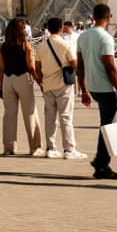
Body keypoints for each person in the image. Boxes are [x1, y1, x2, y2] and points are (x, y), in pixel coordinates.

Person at [76, 3, 117, 181]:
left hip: (94, 88)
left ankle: (102, 161)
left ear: (93, 17)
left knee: (116, 122)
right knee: (108, 126)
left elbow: (80, 65)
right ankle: (101, 165)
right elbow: (110, 67)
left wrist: (84, 90)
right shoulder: (106, 38)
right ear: (109, 17)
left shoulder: (83, 36)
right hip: (107, 89)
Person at [35, 18, 82, 159]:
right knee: (66, 116)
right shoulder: (65, 44)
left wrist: (41, 82)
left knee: (50, 118)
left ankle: (51, 148)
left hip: (47, 85)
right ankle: (69, 149)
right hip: (63, 85)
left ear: (48, 29)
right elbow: (74, 64)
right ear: (61, 29)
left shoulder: (42, 46)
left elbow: (37, 67)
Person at [0, 17, 40, 156]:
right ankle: (34, 147)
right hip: (23, 78)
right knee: (30, 113)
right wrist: (39, 81)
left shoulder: (3, 47)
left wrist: (1, 86)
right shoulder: (25, 45)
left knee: (9, 115)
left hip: (8, 80)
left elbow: (1, 69)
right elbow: (31, 66)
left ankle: (9, 147)